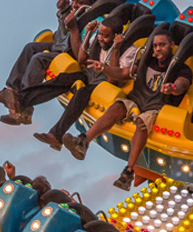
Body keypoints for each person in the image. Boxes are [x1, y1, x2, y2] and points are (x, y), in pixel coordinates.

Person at [63, 32, 193, 190]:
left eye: (162, 45)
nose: (158, 49)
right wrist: (105, 69)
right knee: (117, 107)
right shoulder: (146, 61)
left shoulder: (182, 69)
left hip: (157, 107)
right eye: (155, 45)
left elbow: (182, 84)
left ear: (172, 45)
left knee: (142, 122)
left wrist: (173, 87)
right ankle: (83, 141)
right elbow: (124, 73)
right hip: (137, 99)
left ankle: (128, 172)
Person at [30, 16, 138, 149]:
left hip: (104, 85)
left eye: (105, 36)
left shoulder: (129, 51)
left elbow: (113, 80)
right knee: (63, 79)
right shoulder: (97, 39)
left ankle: (56, 135)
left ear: (117, 36)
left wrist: (116, 49)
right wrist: (87, 34)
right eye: (100, 34)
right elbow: (81, 58)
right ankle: (23, 102)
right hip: (89, 75)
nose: (100, 38)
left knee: (82, 93)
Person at [0, 0, 94, 123]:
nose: (74, 5)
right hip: (59, 45)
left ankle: (23, 106)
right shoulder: (73, 11)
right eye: (73, 1)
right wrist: (63, 9)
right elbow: (62, 33)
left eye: (78, 2)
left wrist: (73, 23)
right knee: (30, 48)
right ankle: (11, 90)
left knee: (38, 59)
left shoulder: (90, 18)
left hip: (68, 52)